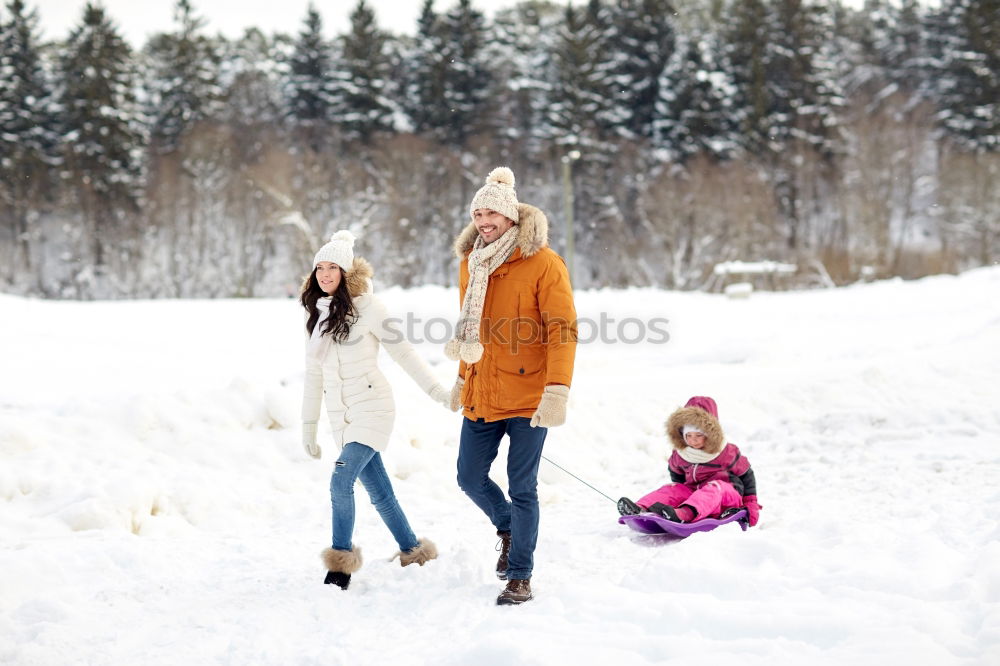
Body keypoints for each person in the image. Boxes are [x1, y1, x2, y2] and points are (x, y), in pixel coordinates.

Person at [445, 166, 577, 605]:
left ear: (511, 217)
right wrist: (462, 379)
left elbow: (562, 329)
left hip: (529, 397)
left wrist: (557, 389)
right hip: (483, 391)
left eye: (492, 213)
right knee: (468, 476)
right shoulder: (471, 263)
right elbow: (470, 328)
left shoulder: (543, 263)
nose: (484, 220)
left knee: (523, 487)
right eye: (477, 212)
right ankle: (507, 526)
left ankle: (520, 574)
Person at [301, 230, 454, 590]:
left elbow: (403, 352)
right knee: (381, 493)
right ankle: (413, 549)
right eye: (319, 267)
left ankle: (339, 566)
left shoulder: (369, 308)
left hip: (373, 408)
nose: (324, 274)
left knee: (341, 480)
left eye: (332, 267)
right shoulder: (316, 316)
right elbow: (313, 375)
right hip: (342, 418)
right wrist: (309, 426)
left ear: (346, 272)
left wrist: (437, 391)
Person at [617, 396, 762, 526]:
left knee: (713, 487)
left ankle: (684, 514)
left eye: (698, 435)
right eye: (689, 435)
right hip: (696, 494)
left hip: (726, 494)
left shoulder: (725, 451)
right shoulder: (682, 453)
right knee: (672, 488)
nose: (693, 440)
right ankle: (640, 508)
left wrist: (751, 504)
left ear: (710, 434)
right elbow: (675, 471)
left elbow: (746, 475)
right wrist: (679, 491)